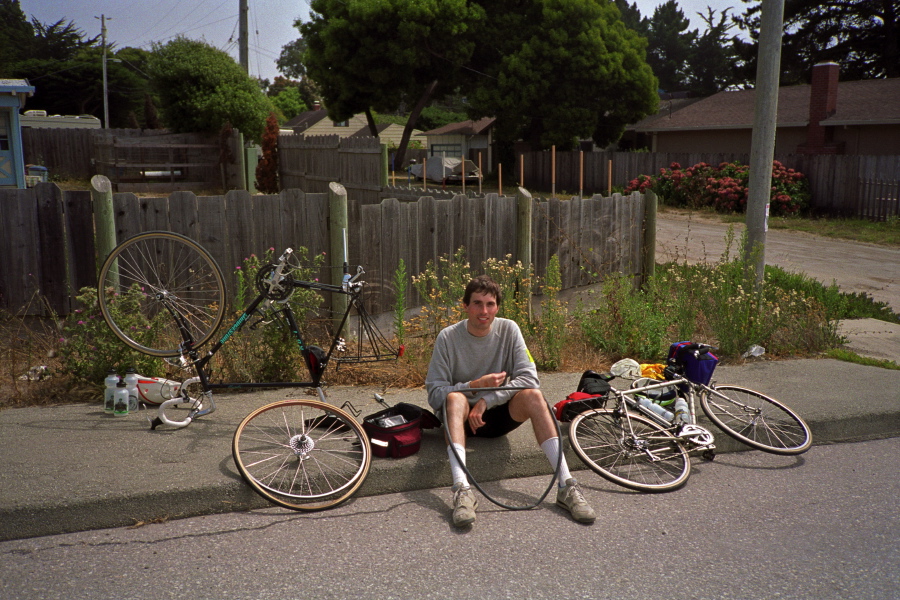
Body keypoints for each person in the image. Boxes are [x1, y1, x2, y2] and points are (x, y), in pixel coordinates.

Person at [425, 275, 596, 527]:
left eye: (490, 304)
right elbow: (434, 394)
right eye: (477, 303)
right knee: (453, 397)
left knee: (534, 396)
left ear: (498, 307)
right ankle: (462, 490)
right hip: (459, 423)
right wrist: (474, 386)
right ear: (465, 306)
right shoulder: (447, 337)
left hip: (496, 415)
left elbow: (530, 379)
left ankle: (566, 485)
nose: (484, 311)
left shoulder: (509, 329)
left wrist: (487, 399)